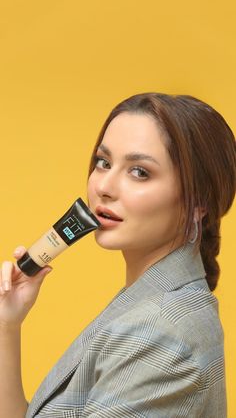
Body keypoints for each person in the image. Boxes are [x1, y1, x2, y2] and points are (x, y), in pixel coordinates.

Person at [0, 93, 235, 418]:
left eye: (140, 172)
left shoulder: (158, 337)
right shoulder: (148, 308)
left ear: (198, 205)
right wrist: (7, 325)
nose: (105, 187)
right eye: (104, 162)